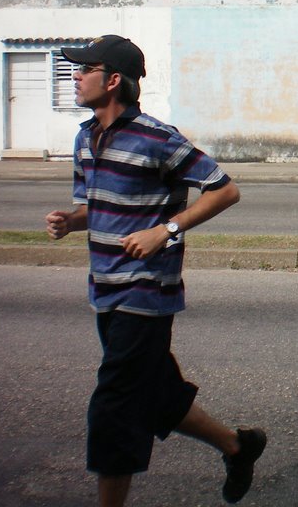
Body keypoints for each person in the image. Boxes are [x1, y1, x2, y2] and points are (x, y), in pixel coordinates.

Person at [44, 35, 266, 507]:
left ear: (114, 80)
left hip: (146, 291)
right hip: (104, 285)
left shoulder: (156, 137)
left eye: (86, 69)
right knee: (155, 393)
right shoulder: (85, 137)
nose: (76, 76)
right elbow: (97, 204)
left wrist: (165, 230)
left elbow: (224, 190)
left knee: (115, 406)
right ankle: (237, 446)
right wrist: (71, 220)